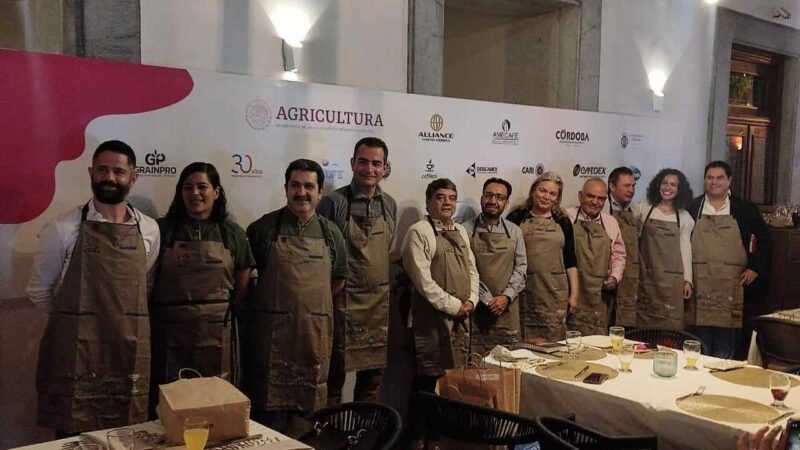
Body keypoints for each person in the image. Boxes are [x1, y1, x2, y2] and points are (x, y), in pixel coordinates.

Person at [26, 140, 160, 436]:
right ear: (91, 172)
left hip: (128, 351)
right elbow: (39, 291)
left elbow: (145, 284)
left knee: (126, 435)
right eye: (102, 170)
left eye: (118, 171)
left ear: (133, 177)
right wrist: (71, 323)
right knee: (76, 434)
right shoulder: (61, 229)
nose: (109, 178)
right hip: (77, 354)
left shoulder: (149, 229)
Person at [245, 159, 347, 436]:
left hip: (313, 335)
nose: (301, 192)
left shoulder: (331, 233)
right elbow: (246, 280)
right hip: (273, 337)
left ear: (320, 192)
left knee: (308, 414)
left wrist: (311, 305)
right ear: (286, 188)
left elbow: (337, 280)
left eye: (309, 186)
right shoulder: (262, 229)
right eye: (295, 185)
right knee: (269, 414)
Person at [150, 163, 254, 410]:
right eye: (188, 187)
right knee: (171, 403)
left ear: (216, 192)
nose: (194, 193)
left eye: (202, 186)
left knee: (217, 402)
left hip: (218, 331)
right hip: (170, 332)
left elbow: (243, 280)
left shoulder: (232, 233)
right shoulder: (161, 230)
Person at [317, 137, 397, 405]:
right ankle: (330, 440)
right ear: (352, 163)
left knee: (372, 381)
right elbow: (323, 255)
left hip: (377, 304)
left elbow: (387, 247)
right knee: (333, 377)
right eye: (363, 162)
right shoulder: (333, 202)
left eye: (376, 163)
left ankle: (366, 439)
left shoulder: (390, 205)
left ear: (385, 168)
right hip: (343, 301)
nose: (369, 169)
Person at [402, 178, 479, 441]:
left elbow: (472, 269)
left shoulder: (460, 231)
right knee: (426, 385)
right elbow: (423, 282)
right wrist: (455, 306)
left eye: (451, 198)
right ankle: (418, 441)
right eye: (440, 197)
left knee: (454, 385)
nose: (446, 202)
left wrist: (472, 300)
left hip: (460, 320)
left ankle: (446, 442)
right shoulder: (419, 232)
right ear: (428, 201)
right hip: (431, 323)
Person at [687, 161, 771, 358]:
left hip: (732, 287)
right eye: (709, 178)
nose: (714, 182)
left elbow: (766, 240)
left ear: (729, 180)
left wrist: (754, 268)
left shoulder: (745, 209)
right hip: (700, 285)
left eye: (719, 178)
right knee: (700, 344)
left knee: (726, 345)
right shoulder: (692, 207)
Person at [507, 172, 578, 341]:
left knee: (554, 345)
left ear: (557, 198)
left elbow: (570, 259)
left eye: (552, 194)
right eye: (542, 191)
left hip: (554, 292)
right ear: (533, 191)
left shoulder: (563, 221)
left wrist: (574, 294)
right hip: (524, 290)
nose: (546, 197)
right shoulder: (516, 217)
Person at [464, 177, 527, 354]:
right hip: (475, 309)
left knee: (507, 367)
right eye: (489, 195)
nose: (493, 201)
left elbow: (521, 267)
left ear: (506, 203)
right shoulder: (465, 230)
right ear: (482, 198)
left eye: (499, 197)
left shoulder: (515, 231)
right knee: (476, 368)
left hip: (506, 309)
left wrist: (505, 297)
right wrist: (481, 298)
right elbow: (463, 270)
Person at [634, 168, 694, 329]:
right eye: (665, 183)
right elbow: (634, 237)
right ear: (657, 185)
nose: (668, 188)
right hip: (646, 278)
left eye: (673, 185)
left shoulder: (684, 217)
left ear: (680, 190)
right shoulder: (643, 209)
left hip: (672, 282)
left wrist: (687, 280)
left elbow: (685, 248)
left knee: (669, 326)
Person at [565, 177, 626, 336]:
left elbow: (619, 255)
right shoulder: (566, 217)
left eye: (600, 198)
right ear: (580, 196)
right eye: (590, 196)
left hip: (599, 294)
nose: (595, 202)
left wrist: (614, 277)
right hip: (572, 291)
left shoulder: (610, 222)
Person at [607, 167, 639, 327]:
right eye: (626, 186)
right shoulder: (603, 209)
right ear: (612, 186)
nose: (631, 190)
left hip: (629, 278)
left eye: (633, 186)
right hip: (607, 279)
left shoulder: (636, 211)